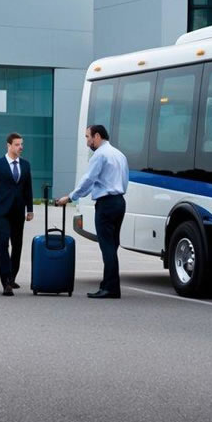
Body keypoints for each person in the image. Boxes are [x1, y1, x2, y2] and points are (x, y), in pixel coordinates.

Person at [57, 125, 128, 299]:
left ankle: (110, 288)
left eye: (88, 136)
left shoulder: (100, 155)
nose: (87, 140)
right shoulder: (119, 154)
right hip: (119, 201)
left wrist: (71, 197)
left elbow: (89, 179)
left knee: (107, 247)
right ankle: (108, 284)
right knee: (112, 245)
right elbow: (125, 179)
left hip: (106, 204)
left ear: (97, 136)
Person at [0, 133, 33, 296]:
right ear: (9, 146)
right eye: (17, 144)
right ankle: (6, 281)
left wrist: (30, 209)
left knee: (17, 244)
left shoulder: (25, 165)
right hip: (0, 211)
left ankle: (12, 276)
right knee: (3, 242)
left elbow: (28, 188)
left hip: (18, 211)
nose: (21, 147)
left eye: (22, 144)